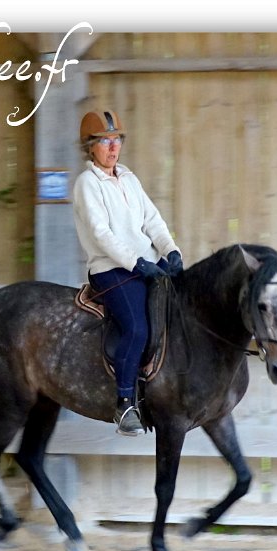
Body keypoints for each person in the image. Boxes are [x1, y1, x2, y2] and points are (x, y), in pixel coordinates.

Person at [72, 109, 184, 436]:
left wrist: (171, 251)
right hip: (110, 270)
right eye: (104, 141)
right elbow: (101, 234)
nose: (112, 147)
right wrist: (138, 263)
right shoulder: (87, 184)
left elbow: (153, 221)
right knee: (136, 327)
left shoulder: (129, 178)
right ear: (90, 147)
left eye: (116, 139)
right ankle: (124, 404)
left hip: (144, 263)